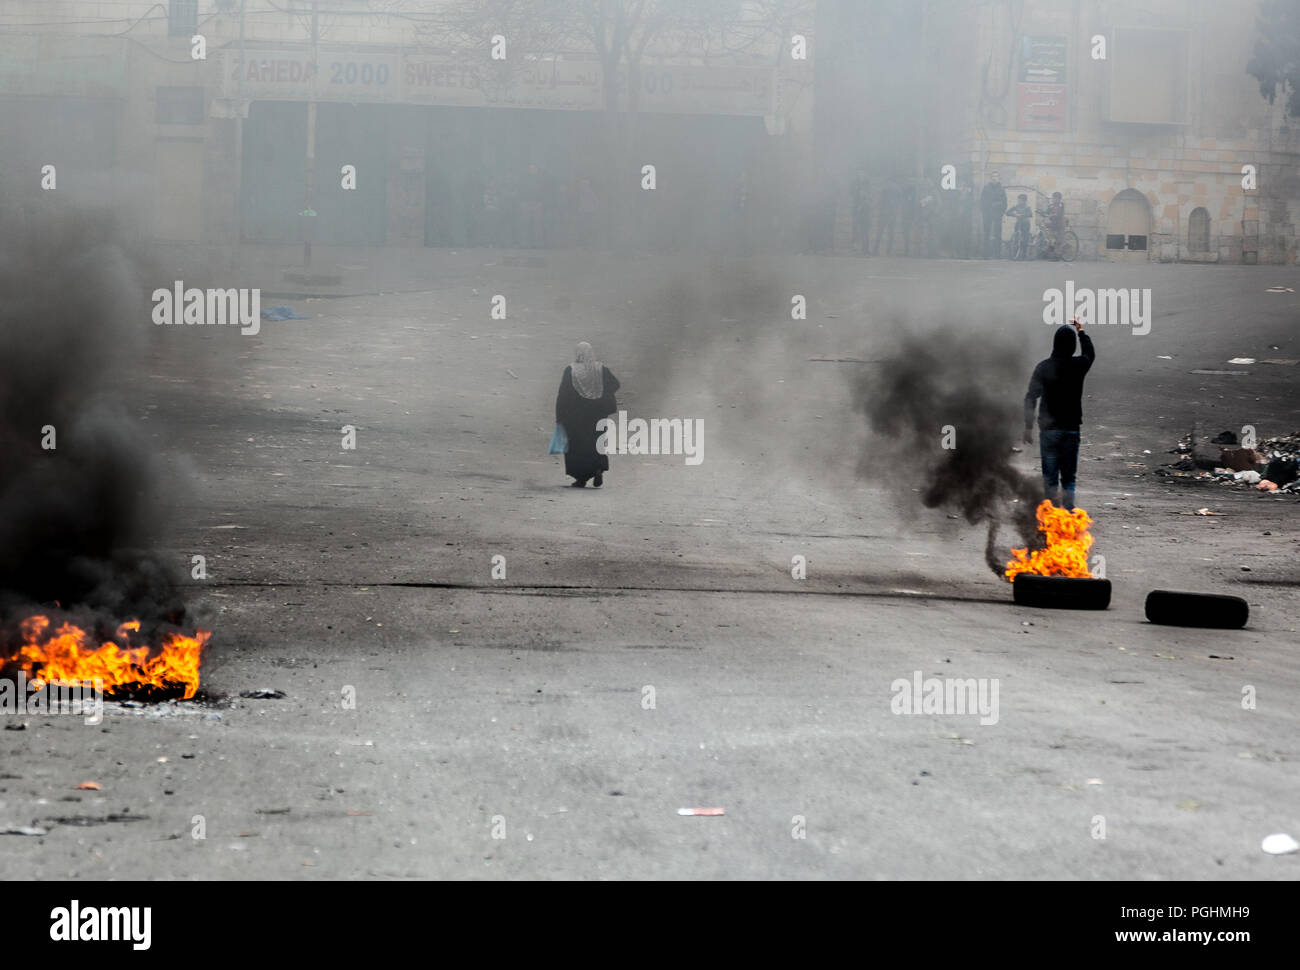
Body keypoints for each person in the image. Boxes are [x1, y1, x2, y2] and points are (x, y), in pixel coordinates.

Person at [1023, 318, 1095, 511]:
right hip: (1071, 431)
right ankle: (1069, 516)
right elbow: (1090, 353)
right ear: (1072, 346)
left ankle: (1052, 520)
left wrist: (1028, 427)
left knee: (1050, 480)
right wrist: (1081, 332)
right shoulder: (1078, 366)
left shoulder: (1044, 367)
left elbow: (1031, 397)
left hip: (1049, 431)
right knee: (1069, 479)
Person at [555, 342, 620, 488]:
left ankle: (581, 478)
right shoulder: (601, 369)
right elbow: (616, 384)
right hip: (598, 414)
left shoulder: (571, 370)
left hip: (575, 417)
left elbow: (563, 395)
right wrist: (603, 394)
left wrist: (560, 416)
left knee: (578, 445)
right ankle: (598, 468)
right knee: (596, 442)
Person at [980, 171, 1007, 258]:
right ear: (990, 178)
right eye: (993, 176)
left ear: (999, 178)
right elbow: (982, 201)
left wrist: (1000, 212)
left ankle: (997, 254)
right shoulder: (986, 188)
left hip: (997, 214)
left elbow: (1004, 203)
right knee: (986, 234)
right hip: (987, 214)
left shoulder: (1001, 189)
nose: (994, 178)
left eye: (996, 176)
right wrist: (985, 211)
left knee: (998, 234)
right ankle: (986, 254)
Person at [1005, 193, 1033, 260]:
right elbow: (1007, 212)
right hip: (1018, 223)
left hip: (1025, 223)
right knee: (1016, 238)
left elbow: (1030, 214)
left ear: (1025, 201)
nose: (1020, 201)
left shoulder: (1027, 207)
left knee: (1025, 239)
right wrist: (1014, 214)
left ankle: (1024, 255)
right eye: (1019, 200)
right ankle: (1014, 253)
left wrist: (1023, 215)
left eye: (1021, 200)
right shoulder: (1016, 206)